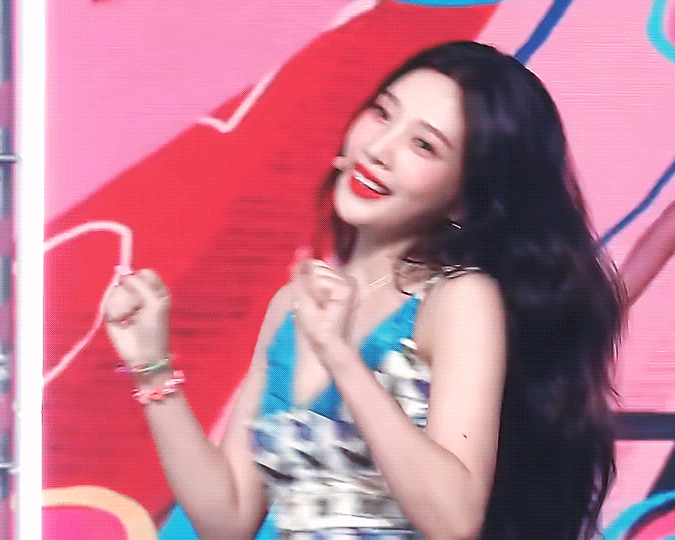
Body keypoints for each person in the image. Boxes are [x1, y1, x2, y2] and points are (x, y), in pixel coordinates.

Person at [103, 42, 624, 540]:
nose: (378, 150)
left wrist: (338, 353)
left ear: (464, 198)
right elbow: (228, 521)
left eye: (423, 145)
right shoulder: (293, 304)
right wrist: (152, 366)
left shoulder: (459, 298)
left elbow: (455, 519)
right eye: (381, 113)